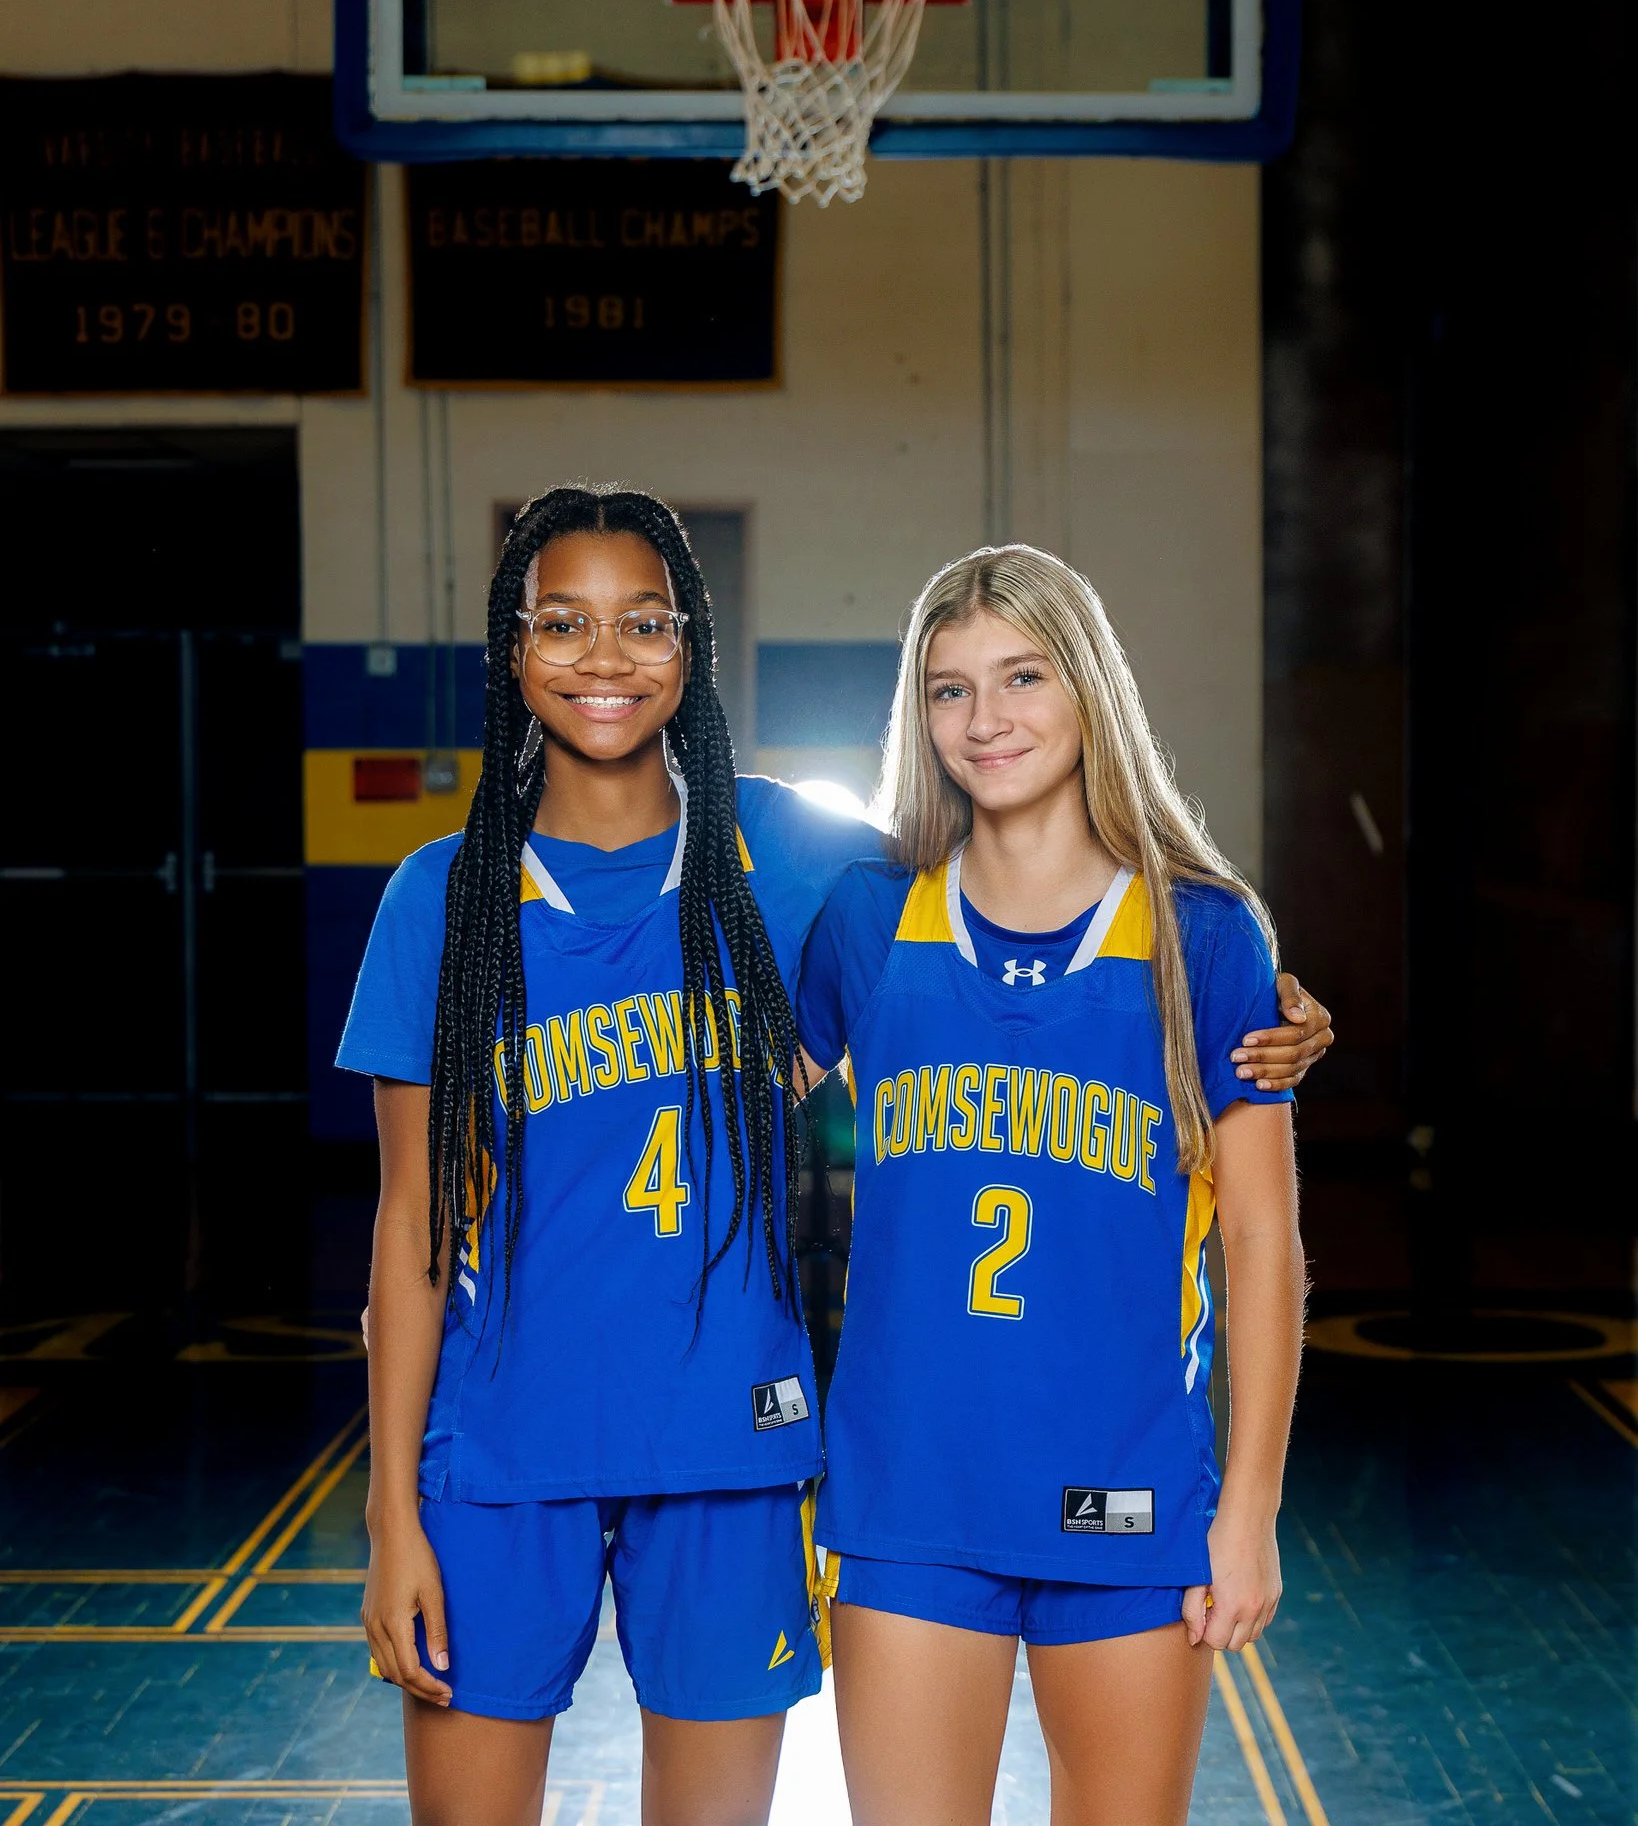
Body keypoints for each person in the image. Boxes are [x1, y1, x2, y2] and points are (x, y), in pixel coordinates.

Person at [340, 487, 882, 1826]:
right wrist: (389, 1517)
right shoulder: (442, 898)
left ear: (690, 643)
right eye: (562, 624)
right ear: (513, 654)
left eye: (643, 622)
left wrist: (1237, 971)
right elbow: (412, 1224)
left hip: (726, 1439)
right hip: (499, 1449)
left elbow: (1023, 866)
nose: (604, 659)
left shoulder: (789, 851)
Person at [796, 544, 1315, 1826]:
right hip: (911, 1491)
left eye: (1022, 675)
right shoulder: (869, 918)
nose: (987, 719)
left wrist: (1248, 1508)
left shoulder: (1203, 933)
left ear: (1088, 687)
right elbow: (710, 1113)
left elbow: (1261, 1240)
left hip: (1128, 1492)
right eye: (948, 688)